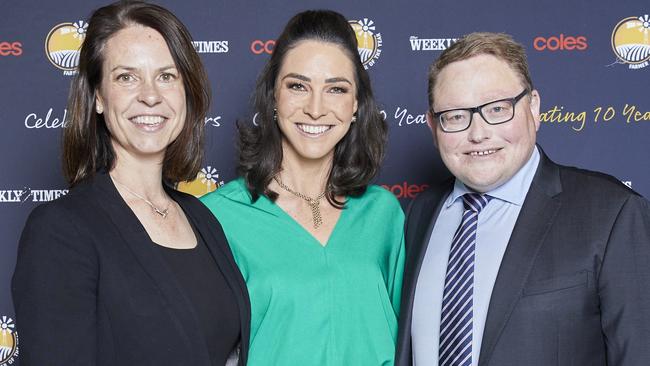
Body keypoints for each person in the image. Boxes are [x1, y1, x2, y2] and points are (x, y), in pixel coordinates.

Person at [12, 1, 249, 365]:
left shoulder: (200, 216)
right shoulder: (60, 230)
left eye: (167, 76)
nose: (150, 95)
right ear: (98, 98)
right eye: (127, 77)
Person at [395, 32, 650, 366]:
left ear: (533, 107)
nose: (478, 133)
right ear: (433, 126)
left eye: (498, 109)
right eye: (456, 116)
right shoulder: (418, 215)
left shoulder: (613, 213)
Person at [201, 10, 404, 366]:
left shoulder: (384, 213)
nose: (315, 108)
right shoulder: (218, 216)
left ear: (356, 105)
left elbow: (410, 342)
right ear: (273, 97)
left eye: (336, 89)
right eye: (298, 86)